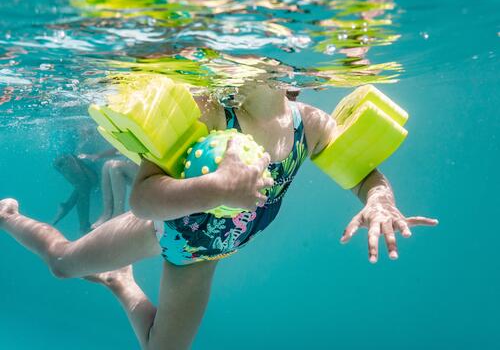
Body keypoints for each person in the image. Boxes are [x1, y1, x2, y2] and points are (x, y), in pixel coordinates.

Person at [0, 83, 438, 350]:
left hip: (202, 257)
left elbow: (362, 174)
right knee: (62, 265)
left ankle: (122, 283)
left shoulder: (314, 125)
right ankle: (8, 216)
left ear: (295, 83)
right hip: (161, 230)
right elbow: (144, 200)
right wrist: (219, 187)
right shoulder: (209, 112)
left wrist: (380, 198)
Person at [92, 158, 139, 229]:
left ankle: (118, 212)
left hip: (152, 176)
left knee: (116, 167)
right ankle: (107, 212)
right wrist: (98, 156)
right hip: (141, 170)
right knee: (107, 165)